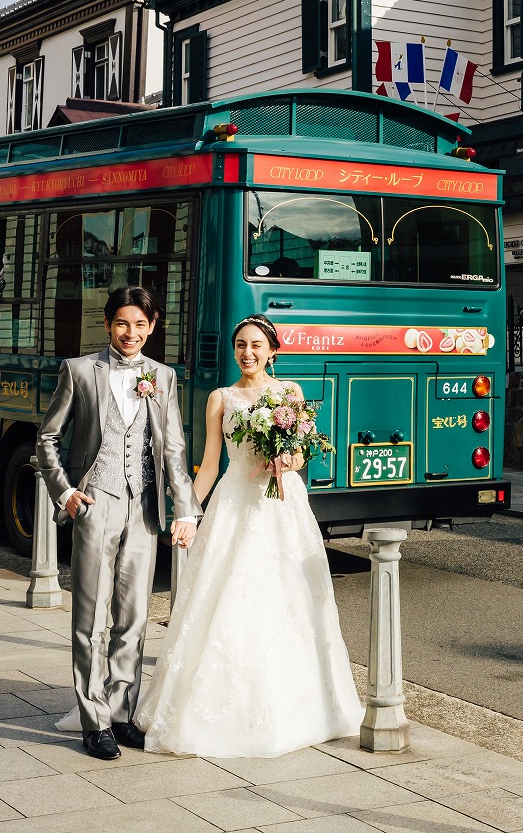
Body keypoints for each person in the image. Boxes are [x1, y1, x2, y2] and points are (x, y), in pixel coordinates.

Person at [135, 313, 360, 758]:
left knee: (291, 601)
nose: (247, 352)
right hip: (236, 503)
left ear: (272, 351)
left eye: (256, 345)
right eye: (240, 345)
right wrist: (187, 512)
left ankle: (305, 706)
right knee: (230, 599)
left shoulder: (289, 393)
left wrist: (287, 463)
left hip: (283, 508)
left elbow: (299, 455)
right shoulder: (221, 398)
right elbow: (211, 463)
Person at [35, 286, 198, 761]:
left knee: (134, 617)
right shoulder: (80, 370)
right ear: (107, 324)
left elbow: (173, 449)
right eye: (123, 323)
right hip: (95, 503)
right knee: (90, 617)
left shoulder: (162, 376)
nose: (132, 333)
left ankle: (122, 712)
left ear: (153, 327)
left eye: (142, 325)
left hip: (144, 507)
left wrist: (184, 508)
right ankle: (94, 720)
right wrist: (65, 493)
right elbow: (46, 439)